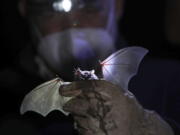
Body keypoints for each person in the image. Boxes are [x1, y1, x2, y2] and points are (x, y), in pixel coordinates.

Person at [0, 0, 180, 134]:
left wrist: (149, 127)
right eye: (52, 10)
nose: (73, 23)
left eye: (90, 6)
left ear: (116, 6)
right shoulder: (10, 106)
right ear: (24, 10)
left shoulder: (170, 79)